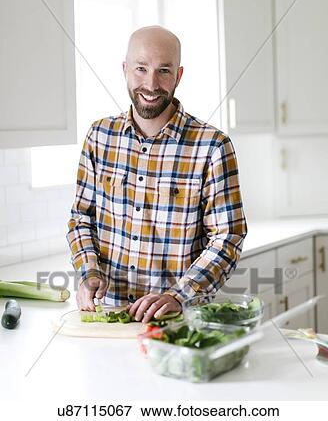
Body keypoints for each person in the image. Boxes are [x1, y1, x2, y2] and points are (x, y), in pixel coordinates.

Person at [67, 25, 247, 324]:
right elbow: (81, 218)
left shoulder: (212, 146)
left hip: (178, 322)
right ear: (125, 70)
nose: (151, 84)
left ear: (178, 76)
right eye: (141, 68)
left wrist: (179, 296)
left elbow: (228, 237)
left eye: (164, 71)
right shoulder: (99, 136)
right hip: (106, 317)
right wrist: (88, 271)